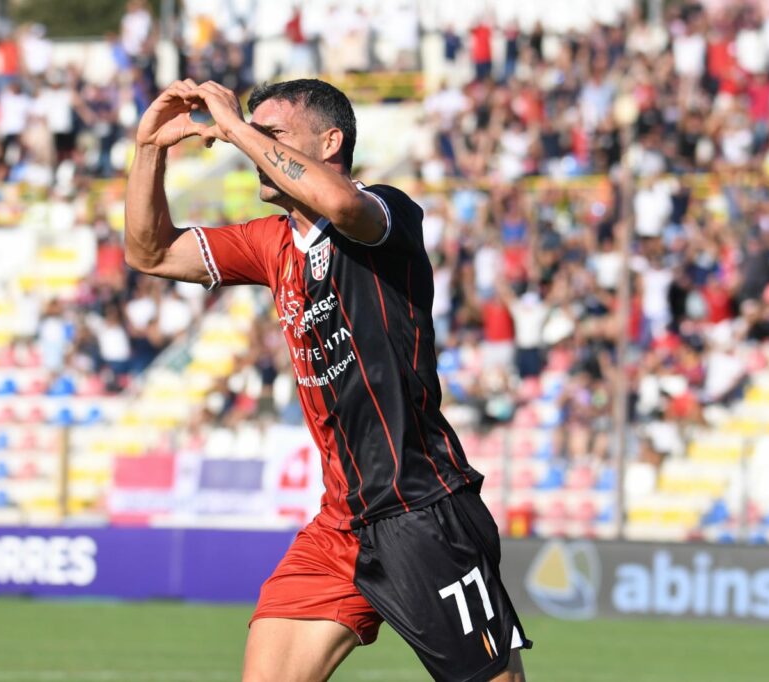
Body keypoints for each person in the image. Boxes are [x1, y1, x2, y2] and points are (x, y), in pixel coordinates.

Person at [125, 77, 530, 681]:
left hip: (423, 508)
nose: (253, 147)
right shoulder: (271, 243)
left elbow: (340, 206)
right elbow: (150, 253)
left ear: (331, 141)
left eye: (273, 134)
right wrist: (148, 149)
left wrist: (236, 128)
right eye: (253, 134)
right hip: (341, 524)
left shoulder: (384, 211)